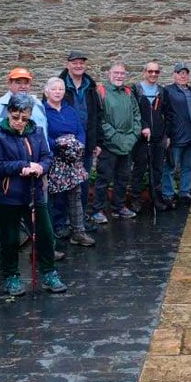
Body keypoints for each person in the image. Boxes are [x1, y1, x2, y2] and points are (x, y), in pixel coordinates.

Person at [0, 94, 67, 296]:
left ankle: (49, 272)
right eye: (15, 117)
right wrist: (22, 166)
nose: (19, 122)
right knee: (10, 238)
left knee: (45, 234)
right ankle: (11, 275)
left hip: (34, 192)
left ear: (30, 115)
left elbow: (47, 156)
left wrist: (41, 167)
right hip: (8, 195)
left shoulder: (37, 132)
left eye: (24, 118)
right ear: (9, 113)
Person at [43, 77, 94, 248]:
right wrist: (58, 145)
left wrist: (78, 145)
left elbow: (80, 130)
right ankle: (55, 230)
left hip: (73, 159)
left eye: (61, 89)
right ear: (46, 92)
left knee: (75, 195)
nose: (58, 92)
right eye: (54, 89)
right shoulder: (42, 111)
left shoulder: (70, 110)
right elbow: (43, 134)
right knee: (53, 197)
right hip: (55, 158)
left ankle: (78, 232)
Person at [93, 62, 141, 223]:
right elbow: (101, 120)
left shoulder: (128, 92)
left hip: (127, 144)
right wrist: (116, 138)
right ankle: (97, 209)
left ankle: (118, 207)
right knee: (104, 179)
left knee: (123, 177)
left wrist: (132, 136)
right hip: (109, 145)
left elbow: (137, 116)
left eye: (122, 73)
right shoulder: (101, 92)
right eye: (116, 73)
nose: (119, 76)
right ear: (109, 74)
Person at [59, 50, 101, 232]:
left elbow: (97, 116)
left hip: (86, 144)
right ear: (68, 64)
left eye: (81, 63)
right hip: (64, 146)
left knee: (83, 183)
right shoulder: (58, 85)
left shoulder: (90, 87)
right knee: (63, 183)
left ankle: (80, 218)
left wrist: (97, 142)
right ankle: (62, 221)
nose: (78, 65)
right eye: (74, 62)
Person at [131, 61, 171, 212]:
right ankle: (136, 200)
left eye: (156, 72)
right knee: (139, 170)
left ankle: (157, 199)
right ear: (144, 72)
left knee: (157, 170)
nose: (153, 74)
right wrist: (143, 126)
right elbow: (133, 112)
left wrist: (166, 135)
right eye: (150, 71)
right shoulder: (135, 90)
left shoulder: (162, 91)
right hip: (141, 138)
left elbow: (167, 114)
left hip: (158, 137)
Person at [162, 62, 191, 205]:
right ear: (174, 75)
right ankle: (168, 194)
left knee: (188, 167)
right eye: (180, 73)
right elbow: (163, 114)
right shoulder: (167, 91)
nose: (183, 76)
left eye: (185, 73)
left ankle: (185, 193)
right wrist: (166, 135)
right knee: (171, 167)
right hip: (175, 137)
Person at [0, 67, 48, 139]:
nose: (23, 86)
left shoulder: (37, 104)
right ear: (9, 84)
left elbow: (44, 135)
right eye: (18, 82)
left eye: (26, 83)